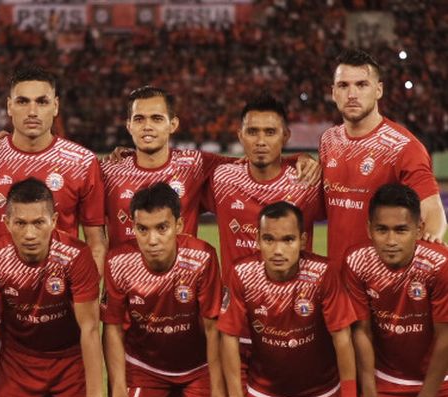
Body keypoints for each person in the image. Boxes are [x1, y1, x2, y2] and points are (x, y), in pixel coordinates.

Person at [0, 66, 106, 397]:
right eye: (23, 101)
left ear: (56, 105)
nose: (33, 111)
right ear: (9, 107)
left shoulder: (81, 162)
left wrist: (83, 294)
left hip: (63, 308)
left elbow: (96, 243)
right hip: (2, 313)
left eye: (42, 101)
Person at [0, 178, 103, 397]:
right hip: (18, 361)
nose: (30, 234)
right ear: (6, 223)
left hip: (70, 360)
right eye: (20, 224)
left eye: (39, 223)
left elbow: (89, 328)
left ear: (54, 221)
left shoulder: (77, 256)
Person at [101, 86, 320, 248]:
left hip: (180, 290)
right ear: (129, 125)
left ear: (173, 124)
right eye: (139, 119)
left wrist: (298, 158)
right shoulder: (109, 170)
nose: (147, 126)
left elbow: (257, 161)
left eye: (157, 118)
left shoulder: (195, 164)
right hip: (125, 288)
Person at [218, 201, 358, 397]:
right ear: (258, 240)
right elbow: (228, 336)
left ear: (302, 240)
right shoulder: (241, 273)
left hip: (322, 394)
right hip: (263, 393)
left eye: (288, 240)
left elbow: (342, 336)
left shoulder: (324, 273)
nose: (278, 250)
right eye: (269, 239)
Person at [103, 183, 228, 397]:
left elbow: (214, 328)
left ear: (178, 226)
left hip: (198, 368)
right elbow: (112, 329)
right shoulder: (118, 262)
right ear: (133, 228)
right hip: (143, 368)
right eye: (143, 229)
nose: (153, 240)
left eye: (162, 228)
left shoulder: (202, 258)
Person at [343, 183, 448, 397]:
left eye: (401, 230)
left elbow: (446, 337)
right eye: (382, 230)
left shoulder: (439, 264)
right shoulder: (356, 262)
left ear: (420, 229)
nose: (391, 241)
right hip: (390, 377)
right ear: (369, 229)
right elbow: (361, 332)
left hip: (443, 374)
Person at [320, 48, 446, 264]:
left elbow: (433, 212)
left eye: (361, 85)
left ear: (378, 90)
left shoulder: (403, 147)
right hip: (336, 283)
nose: (352, 94)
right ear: (333, 92)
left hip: (380, 285)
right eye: (343, 85)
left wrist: (429, 249)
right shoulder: (329, 140)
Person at [208, 93, 324, 274]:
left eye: (270, 132)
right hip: (238, 300)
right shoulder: (223, 178)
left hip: (292, 299)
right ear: (240, 136)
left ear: (285, 136)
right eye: (252, 132)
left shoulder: (307, 182)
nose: (260, 142)